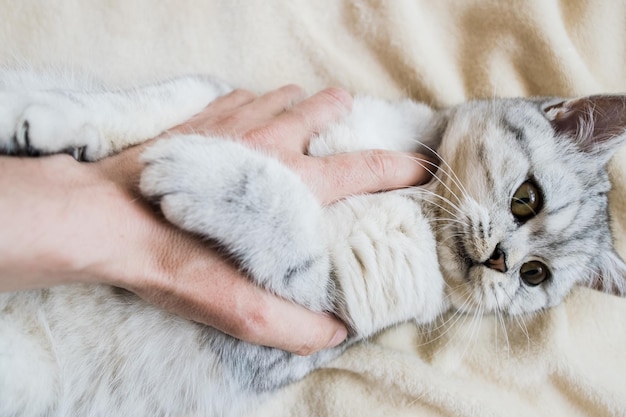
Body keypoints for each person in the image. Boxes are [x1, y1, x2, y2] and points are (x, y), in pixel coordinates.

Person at [0, 85, 432, 356]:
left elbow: (314, 294)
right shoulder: (405, 123)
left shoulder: (425, 284)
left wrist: (107, 208)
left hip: (62, 354)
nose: (501, 262)